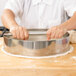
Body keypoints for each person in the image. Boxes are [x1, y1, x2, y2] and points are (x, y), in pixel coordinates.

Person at [1, 0, 76, 40]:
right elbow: (6, 13)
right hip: (25, 48)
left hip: (57, 48)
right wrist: (13, 26)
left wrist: (63, 27)